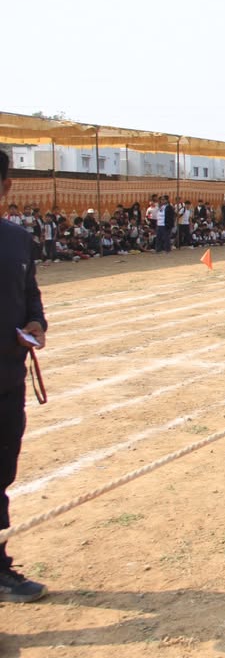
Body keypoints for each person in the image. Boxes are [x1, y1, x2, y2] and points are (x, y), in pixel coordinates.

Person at [0, 151, 49, 602]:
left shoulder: (17, 240)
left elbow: (29, 294)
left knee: (1, 473)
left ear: (6, 187)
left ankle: (0, 567)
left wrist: (37, 323)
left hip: (7, 380)